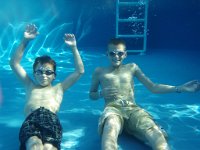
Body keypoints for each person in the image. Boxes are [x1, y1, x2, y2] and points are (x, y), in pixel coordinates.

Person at [89, 38, 200, 150]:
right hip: (113, 109)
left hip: (133, 109)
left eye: (120, 53)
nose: (116, 56)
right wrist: (100, 93)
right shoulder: (99, 71)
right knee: (110, 129)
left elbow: (153, 87)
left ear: (125, 54)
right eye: (112, 53)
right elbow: (91, 94)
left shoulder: (132, 67)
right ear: (107, 54)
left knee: (155, 133)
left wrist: (180, 88)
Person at [10, 24, 84, 150]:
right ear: (34, 74)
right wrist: (25, 40)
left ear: (54, 76)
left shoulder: (59, 88)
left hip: (51, 119)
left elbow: (79, 71)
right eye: (39, 72)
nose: (43, 75)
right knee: (34, 145)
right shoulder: (29, 85)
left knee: (49, 148)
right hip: (31, 119)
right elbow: (14, 63)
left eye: (48, 72)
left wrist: (73, 48)